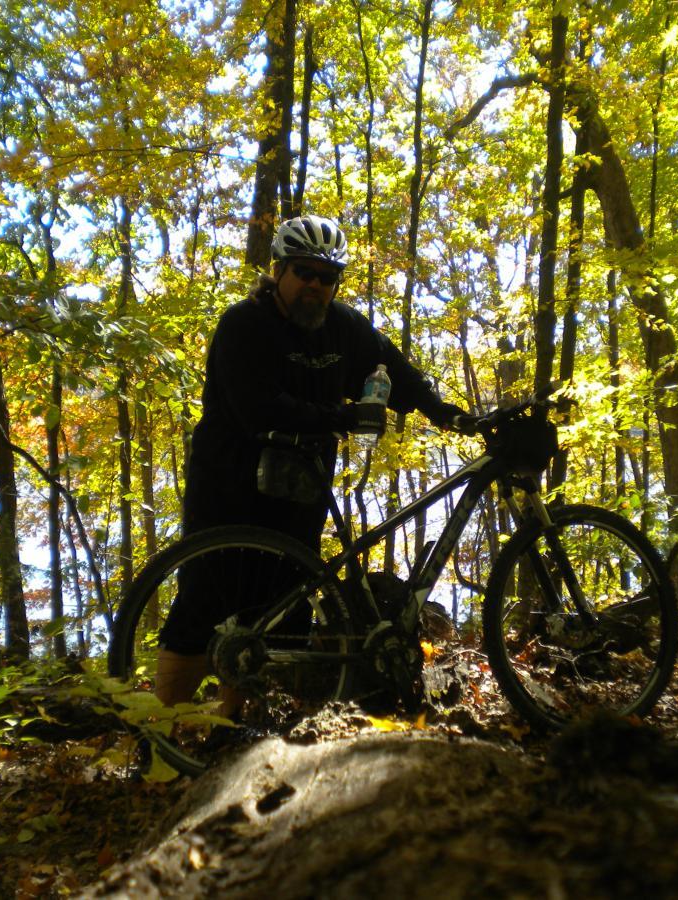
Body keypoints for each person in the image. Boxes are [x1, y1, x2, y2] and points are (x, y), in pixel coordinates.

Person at [153, 214, 466, 708]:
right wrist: (342, 415)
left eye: (327, 276)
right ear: (279, 271)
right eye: (304, 272)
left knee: (279, 608)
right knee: (204, 598)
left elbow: (395, 371)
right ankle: (158, 726)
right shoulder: (244, 325)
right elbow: (255, 406)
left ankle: (231, 726)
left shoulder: (344, 328)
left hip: (300, 488)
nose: (315, 285)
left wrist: (445, 411)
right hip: (228, 483)